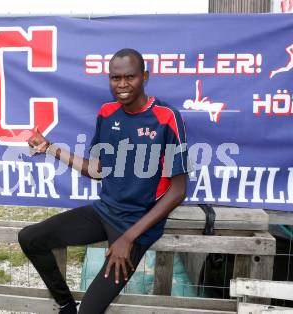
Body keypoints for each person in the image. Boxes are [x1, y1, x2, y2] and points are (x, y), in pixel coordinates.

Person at [18, 48, 189, 314]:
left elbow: (178, 191)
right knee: (30, 238)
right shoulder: (107, 114)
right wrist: (50, 147)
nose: (122, 85)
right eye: (115, 78)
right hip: (104, 211)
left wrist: (128, 238)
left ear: (144, 76)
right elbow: (97, 170)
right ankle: (66, 304)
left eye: (129, 77)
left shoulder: (167, 117)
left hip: (137, 226)